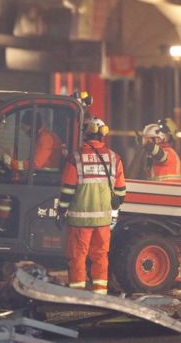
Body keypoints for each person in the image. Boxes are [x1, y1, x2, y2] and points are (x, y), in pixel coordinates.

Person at [56, 117, 126, 294]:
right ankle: (100, 293)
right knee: (101, 257)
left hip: (80, 221)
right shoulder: (114, 158)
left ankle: (77, 293)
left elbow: (68, 191)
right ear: (102, 134)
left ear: (85, 134)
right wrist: (114, 206)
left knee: (78, 257)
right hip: (103, 221)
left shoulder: (75, 158)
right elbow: (120, 191)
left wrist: (61, 211)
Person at [141, 118, 181, 182]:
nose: (156, 139)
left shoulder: (170, 153)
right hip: (163, 191)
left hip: (169, 191)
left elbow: (161, 155)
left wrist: (148, 144)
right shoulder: (155, 154)